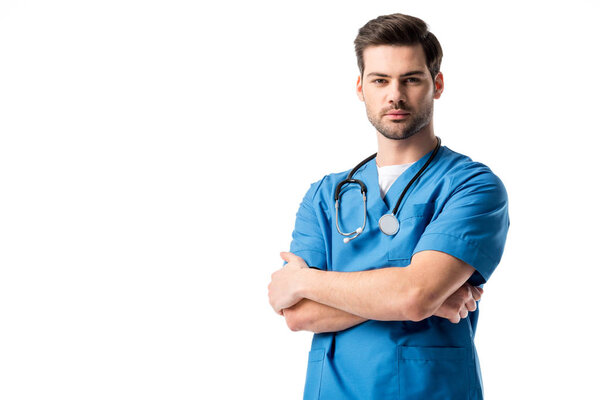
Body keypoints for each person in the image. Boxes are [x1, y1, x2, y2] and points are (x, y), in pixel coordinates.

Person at [268, 13, 509, 400]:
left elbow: (414, 296)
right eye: (380, 80)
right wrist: (422, 297)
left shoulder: (472, 185)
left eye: (411, 79)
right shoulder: (325, 195)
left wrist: (303, 281)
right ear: (361, 87)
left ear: (437, 84)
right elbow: (299, 314)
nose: (394, 94)